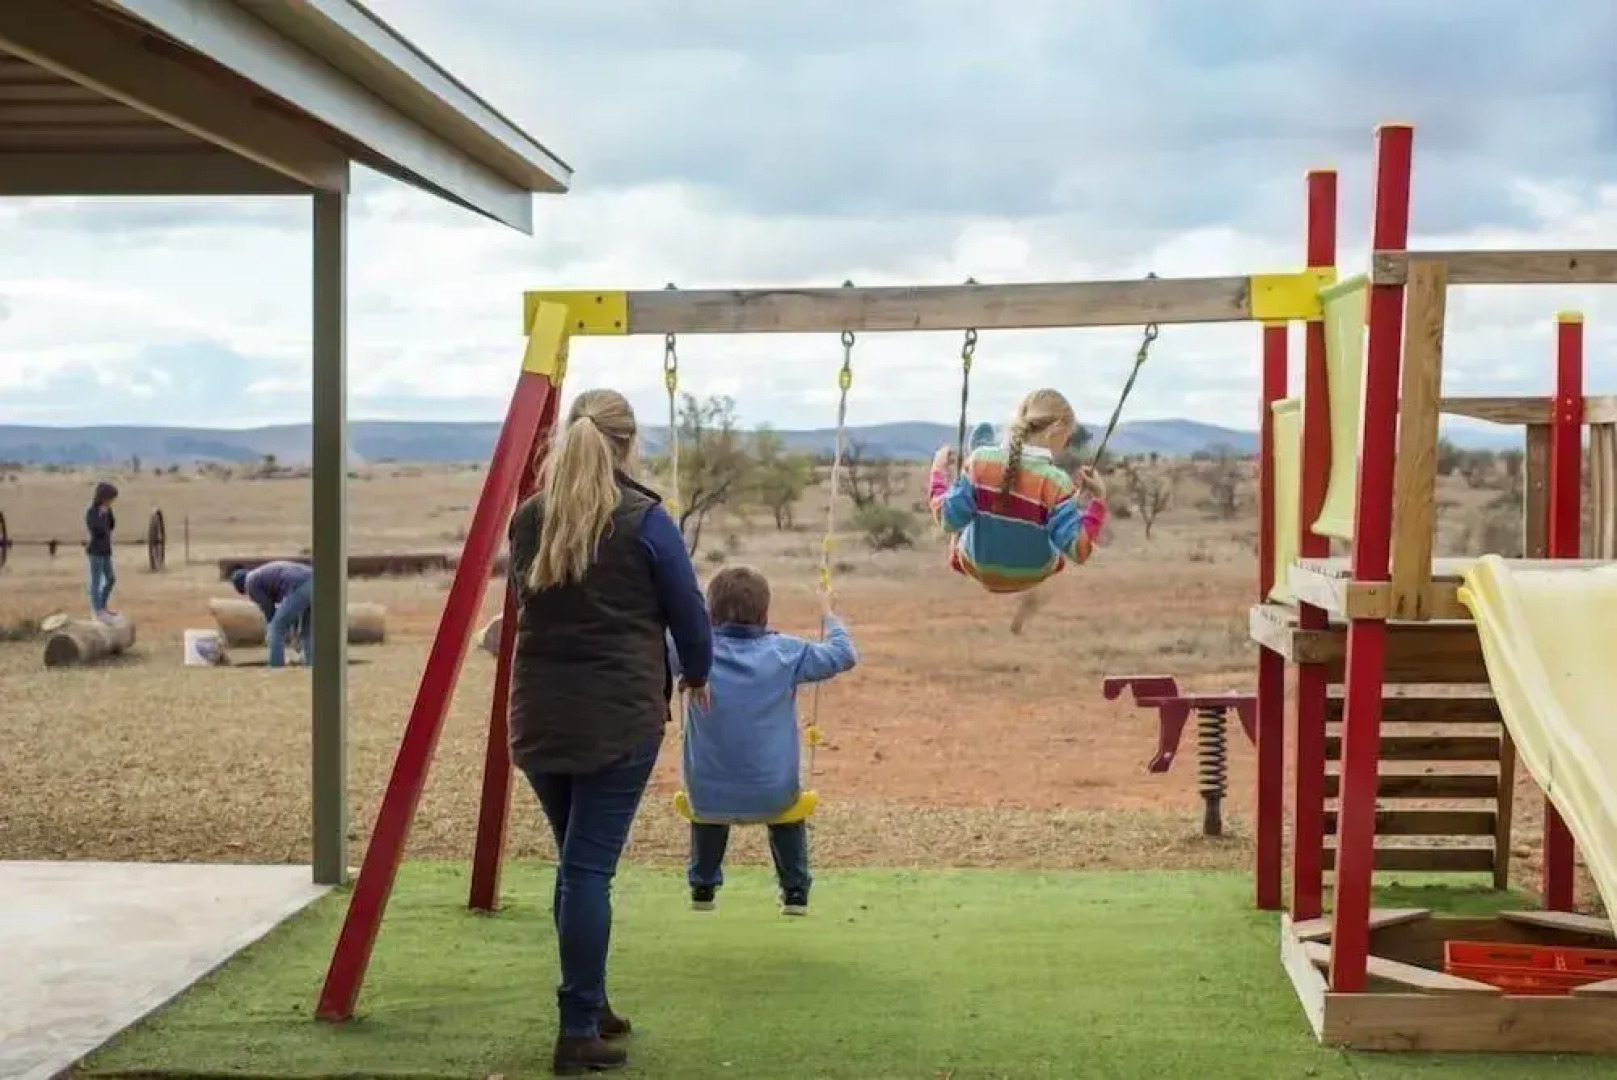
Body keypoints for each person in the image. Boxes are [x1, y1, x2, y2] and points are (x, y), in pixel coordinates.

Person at [506, 387, 712, 1077]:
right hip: (618, 717)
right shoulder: (647, 521)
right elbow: (689, 613)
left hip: (539, 713)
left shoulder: (531, 518)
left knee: (575, 867)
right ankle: (575, 1031)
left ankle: (590, 1004)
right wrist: (696, 674)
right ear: (627, 444)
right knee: (587, 871)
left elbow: (524, 604)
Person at [672, 566, 858, 917]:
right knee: (787, 810)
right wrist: (830, 615)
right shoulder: (788, 653)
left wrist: (686, 618)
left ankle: (702, 885)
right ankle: (795, 893)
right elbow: (843, 655)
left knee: (709, 805)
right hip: (774, 791)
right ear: (765, 613)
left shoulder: (694, 650)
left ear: (710, 613)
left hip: (708, 792)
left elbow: (656, 647)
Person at [928, 387, 1109, 595]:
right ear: (1056, 431)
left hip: (977, 563)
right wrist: (1098, 500)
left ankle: (991, 451)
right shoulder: (1057, 482)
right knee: (1050, 521)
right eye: (1067, 437)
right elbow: (1079, 551)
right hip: (1035, 571)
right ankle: (991, 458)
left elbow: (947, 519)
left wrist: (938, 472)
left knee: (969, 501)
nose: (1067, 443)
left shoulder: (979, 463)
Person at [230, 560, 313, 668]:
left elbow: (269, 610)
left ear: (242, 588)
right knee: (307, 630)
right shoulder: (261, 574)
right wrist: (293, 632)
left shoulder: (250, 583)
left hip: (298, 586)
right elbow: (292, 610)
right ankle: (310, 663)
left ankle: (276, 665)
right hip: (314, 580)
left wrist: (270, 631)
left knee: (276, 628)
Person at [84, 481, 119, 619]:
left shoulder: (107, 511)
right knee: (96, 581)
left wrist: (107, 514)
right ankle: (98, 610)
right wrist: (101, 516)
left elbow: (111, 526)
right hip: (95, 551)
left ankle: (103, 605)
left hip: (106, 550)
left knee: (111, 579)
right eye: (110, 499)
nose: (111, 502)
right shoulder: (92, 512)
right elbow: (97, 530)